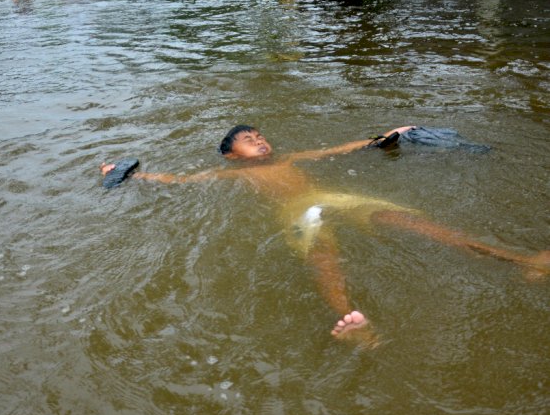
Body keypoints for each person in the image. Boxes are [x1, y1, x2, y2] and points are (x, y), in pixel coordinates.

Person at [101, 125, 550, 343]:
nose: (259, 140)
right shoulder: (231, 176)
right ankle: (351, 320)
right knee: (324, 256)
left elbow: (340, 149)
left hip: (334, 197)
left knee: (416, 224)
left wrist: (385, 137)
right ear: (232, 157)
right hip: (299, 213)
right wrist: (130, 175)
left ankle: (521, 260)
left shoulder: (291, 158)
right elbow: (180, 182)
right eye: (247, 139)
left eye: (260, 134)